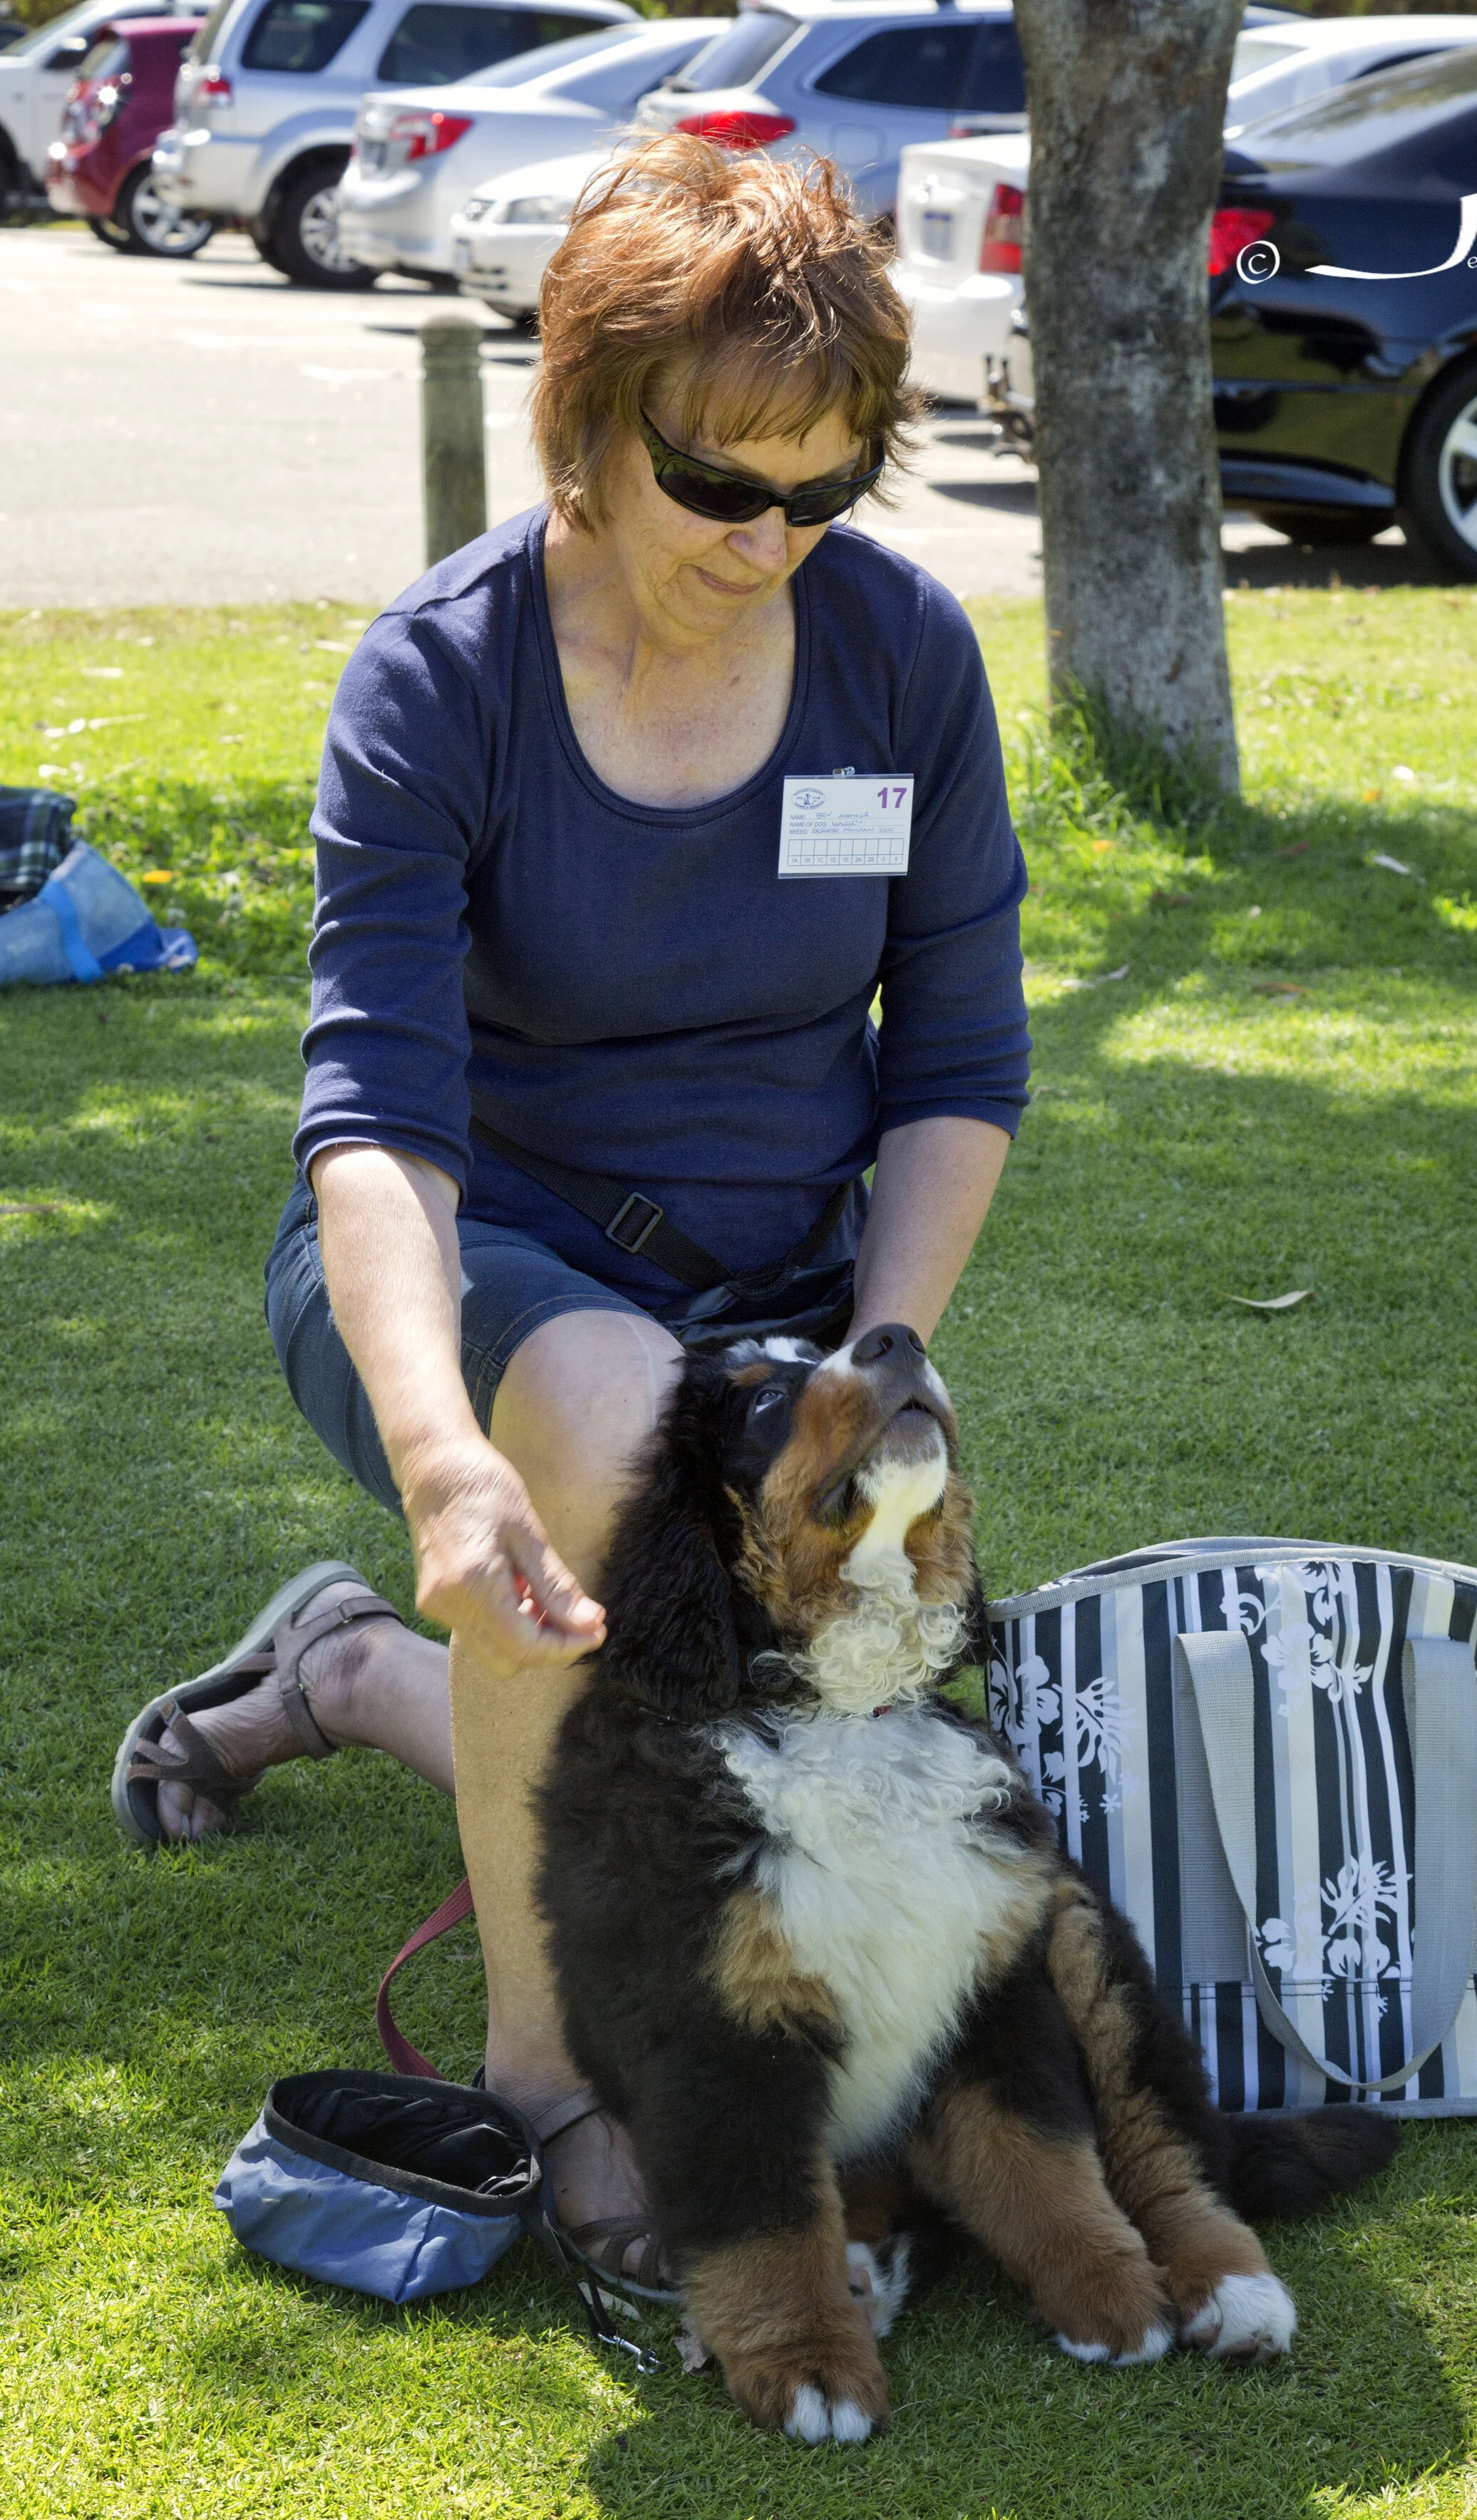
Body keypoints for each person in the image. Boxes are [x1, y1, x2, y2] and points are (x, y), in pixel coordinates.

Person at [113, 133, 1029, 2298]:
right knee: (607, 1444)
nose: (772, 542)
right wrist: (442, 1452)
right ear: (587, 432)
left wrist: (878, 1359)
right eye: (725, 488)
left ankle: (343, 1671)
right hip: (473, 1273)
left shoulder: (898, 657)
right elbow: (378, 1129)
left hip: (791, 1293)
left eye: (827, 490)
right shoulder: (439, 678)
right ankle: (547, 2072)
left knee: (774, 1746)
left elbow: (956, 1065)